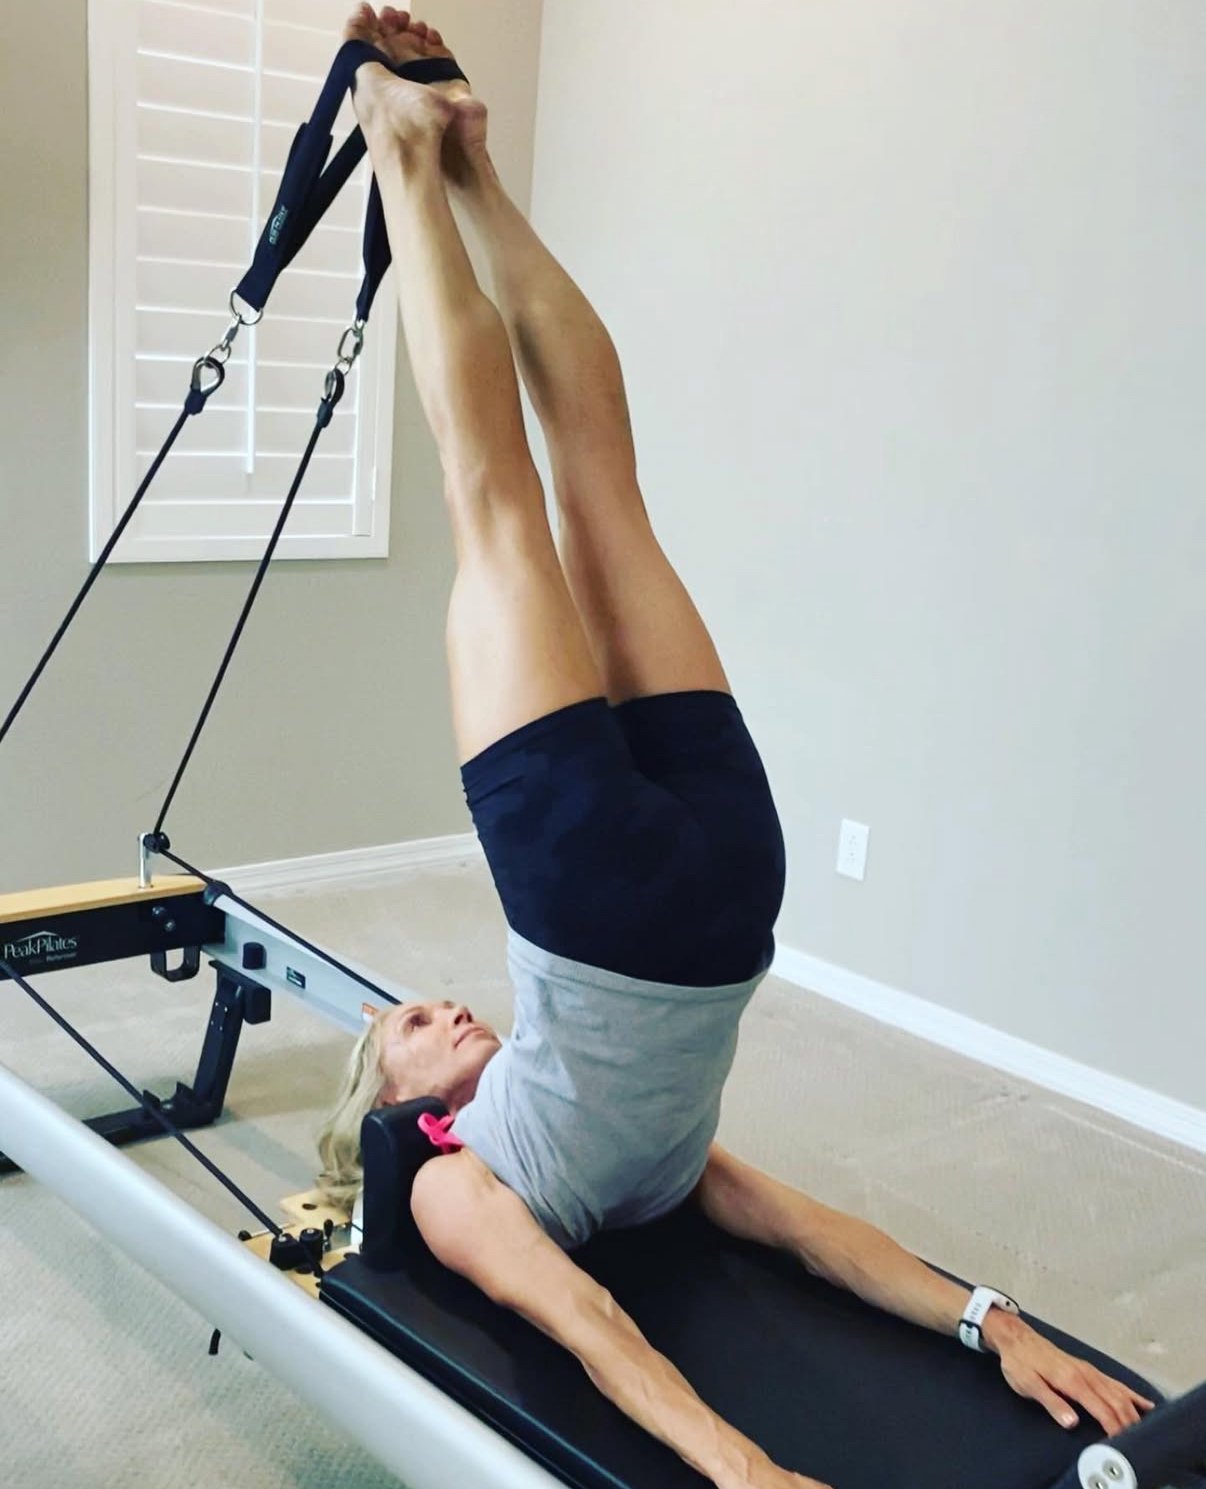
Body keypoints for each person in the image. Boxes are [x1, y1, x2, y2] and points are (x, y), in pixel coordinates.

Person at [314, 10, 1155, 1487]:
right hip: (704, 886)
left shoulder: (582, 1145)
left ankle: (451, 166)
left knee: (572, 491)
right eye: (411, 1028)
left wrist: (987, 1318)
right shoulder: (449, 1180)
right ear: (399, 1106)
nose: (436, 1008)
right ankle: (412, 152)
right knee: (527, 501)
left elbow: (807, 1228)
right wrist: (740, 1468)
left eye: (422, 1006)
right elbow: (577, 1314)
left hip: (629, 894)